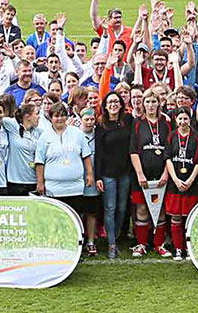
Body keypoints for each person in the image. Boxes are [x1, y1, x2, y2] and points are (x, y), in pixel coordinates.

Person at [129, 88, 172, 258]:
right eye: (147, 101)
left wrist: (166, 174)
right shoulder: (138, 123)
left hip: (162, 175)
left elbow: (170, 150)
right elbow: (133, 151)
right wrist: (139, 174)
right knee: (142, 209)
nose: (151, 105)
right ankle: (141, 244)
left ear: (159, 103)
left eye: (154, 101)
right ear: (143, 103)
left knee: (160, 209)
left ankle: (159, 244)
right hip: (142, 175)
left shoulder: (167, 123)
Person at [35, 103, 92, 213]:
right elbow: (39, 162)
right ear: (51, 118)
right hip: (53, 189)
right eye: (56, 116)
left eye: (62, 115)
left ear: (66, 117)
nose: (59, 119)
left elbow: (86, 155)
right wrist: (40, 183)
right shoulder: (44, 136)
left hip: (75, 188)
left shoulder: (77, 133)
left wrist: (89, 174)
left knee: (75, 220)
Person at [95, 92, 133, 259]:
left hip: (125, 172)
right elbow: (99, 154)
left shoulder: (128, 121)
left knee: (122, 208)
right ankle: (111, 244)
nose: (113, 105)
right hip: (108, 174)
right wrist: (98, 176)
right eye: (110, 102)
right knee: (109, 209)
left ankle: (116, 235)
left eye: (116, 101)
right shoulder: (101, 125)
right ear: (105, 105)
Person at [164, 107, 198, 261]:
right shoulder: (171, 136)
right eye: (180, 119)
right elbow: (167, 158)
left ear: (190, 119)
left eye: (185, 118)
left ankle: (188, 248)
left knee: (188, 217)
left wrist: (190, 180)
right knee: (175, 217)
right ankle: (178, 248)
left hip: (190, 183)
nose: (182, 122)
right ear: (175, 120)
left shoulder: (197, 138)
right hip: (175, 183)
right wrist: (175, 179)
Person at [3, 104, 43, 195]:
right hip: (15, 182)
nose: (39, 117)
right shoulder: (13, 125)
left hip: (33, 181)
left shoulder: (39, 132)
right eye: (36, 114)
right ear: (27, 116)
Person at [79, 108, 101, 256]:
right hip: (77, 179)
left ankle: (91, 241)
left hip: (93, 179)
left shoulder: (98, 135)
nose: (89, 122)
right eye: (86, 119)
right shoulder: (75, 135)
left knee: (91, 212)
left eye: (91, 119)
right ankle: (78, 239)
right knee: (78, 211)